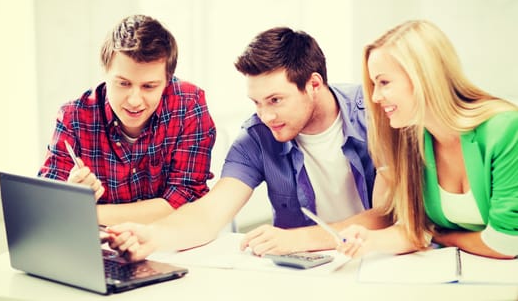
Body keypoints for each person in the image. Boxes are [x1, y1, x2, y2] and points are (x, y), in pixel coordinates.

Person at [108, 26, 391, 261]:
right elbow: (210, 213)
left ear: (313, 85)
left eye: (275, 100)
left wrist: (297, 239)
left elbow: (389, 214)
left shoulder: (377, 114)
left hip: (383, 261)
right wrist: (154, 237)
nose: (266, 115)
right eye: (257, 102)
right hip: (310, 274)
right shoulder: (257, 136)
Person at [336, 19, 518, 259]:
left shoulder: (504, 129)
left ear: (423, 77)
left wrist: (443, 237)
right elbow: (415, 229)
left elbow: (506, 243)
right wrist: (369, 239)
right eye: (373, 84)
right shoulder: (413, 138)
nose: (376, 96)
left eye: (384, 82)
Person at [39, 14, 216, 226]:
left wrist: (86, 212)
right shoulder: (73, 117)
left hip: (171, 242)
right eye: (123, 83)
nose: (134, 101)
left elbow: (186, 198)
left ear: (167, 81)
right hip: (103, 248)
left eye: (149, 86)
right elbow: (48, 209)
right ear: (105, 72)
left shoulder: (189, 104)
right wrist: (70, 196)